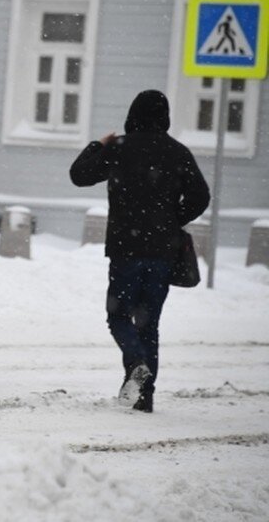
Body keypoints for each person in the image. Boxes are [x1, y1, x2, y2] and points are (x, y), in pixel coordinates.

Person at [70, 90, 210, 413]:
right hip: (163, 253)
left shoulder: (119, 148)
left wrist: (98, 145)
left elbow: (79, 176)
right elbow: (201, 196)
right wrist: (172, 220)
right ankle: (144, 396)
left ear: (132, 115)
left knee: (118, 316)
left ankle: (135, 363)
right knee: (149, 323)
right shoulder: (178, 152)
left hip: (126, 249)